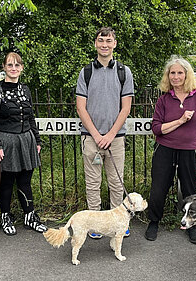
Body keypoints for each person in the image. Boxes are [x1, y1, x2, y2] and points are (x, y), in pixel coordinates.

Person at [144, 55, 196, 244]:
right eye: (172, 73)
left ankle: (193, 226)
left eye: (179, 73)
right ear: (168, 76)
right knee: (158, 189)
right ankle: (154, 222)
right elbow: (157, 128)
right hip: (165, 150)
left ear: (186, 75)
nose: (175, 76)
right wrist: (180, 121)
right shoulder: (164, 100)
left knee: (191, 190)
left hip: (190, 151)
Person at [75, 27, 134, 239]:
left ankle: (118, 224)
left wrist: (109, 135)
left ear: (115, 44)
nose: (105, 44)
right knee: (92, 184)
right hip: (91, 138)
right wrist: (97, 136)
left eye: (109, 41)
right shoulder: (86, 72)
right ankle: (96, 224)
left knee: (116, 184)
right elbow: (81, 107)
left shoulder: (123, 72)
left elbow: (126, 108)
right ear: (95, 44)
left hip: (116, 138)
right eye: (101, 40)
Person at [0, 52, 47, 236]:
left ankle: (29, 216)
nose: (13, 68)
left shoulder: (25, 89)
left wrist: (37, 139)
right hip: (6, 141)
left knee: (25, 182)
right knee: (6, 183)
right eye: (10, 65)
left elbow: (31, 117)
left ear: (22, 68)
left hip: (26, 140)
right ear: (3, 68)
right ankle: (5, 216)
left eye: (17, 65)